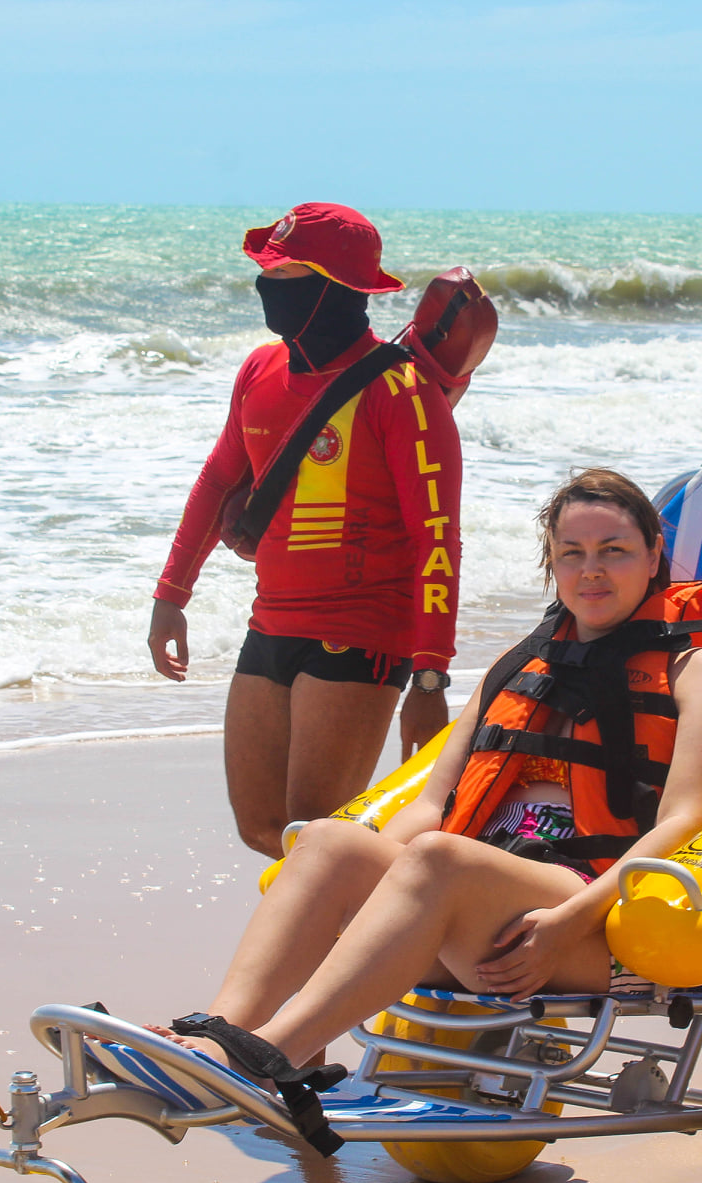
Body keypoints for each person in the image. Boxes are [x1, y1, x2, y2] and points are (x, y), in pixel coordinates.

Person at [155, 469, 702, 1084]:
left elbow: (689, 822)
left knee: (439, 858)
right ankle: (216, 1034)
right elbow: (435, 804)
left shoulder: (699, 671)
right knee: (328, 840)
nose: (591, 570)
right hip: (472, 901)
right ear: (552, 563)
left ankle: (262, 1060)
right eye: (571, 553)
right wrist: (362, 887)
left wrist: (569, 920)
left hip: (594, 921)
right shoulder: (521, 665)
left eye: (615, 551)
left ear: (654, 555)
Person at [147, 203, 463, 859]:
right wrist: (170, 596)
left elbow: (439, 540)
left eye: (289, 271)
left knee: (316, 832)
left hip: (363, 630)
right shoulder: (258, 371)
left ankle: (386, 936)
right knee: (261, 827)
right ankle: (378, 925)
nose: (270, 284)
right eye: (270, 269)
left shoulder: (402, 393)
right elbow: (215, 481)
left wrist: (430, 680)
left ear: (337, 287)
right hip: (270, 625)